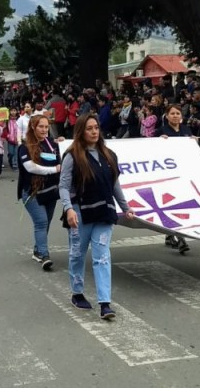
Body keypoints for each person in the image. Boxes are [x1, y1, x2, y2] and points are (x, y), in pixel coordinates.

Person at [59, 114, 135, 320]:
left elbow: (115, 184)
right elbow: (64, 186)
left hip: (104, 211)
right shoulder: (72, 156)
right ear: (81, 131)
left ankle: (105, 303)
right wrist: (68, 209)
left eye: (96, 127)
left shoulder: (109, 154)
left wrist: (125, 208)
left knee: (102, 257)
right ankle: (77, 292)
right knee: (77, 254)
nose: (94, 131)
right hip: (80, 212)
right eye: (89, 128)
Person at [18, 114, 62, 270]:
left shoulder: (53, 144)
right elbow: (31, 167)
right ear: (33, 127)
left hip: (50, 191)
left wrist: (64, 145)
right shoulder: (24, 147)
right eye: (40, 126)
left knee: (46, 222)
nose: (44, 130)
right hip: (31, 192)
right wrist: (55, 169)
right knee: (41, 221)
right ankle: (44, 255)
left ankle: (37, 250)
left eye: (46, 126)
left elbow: (63, 158)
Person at [158, 104, 192, 252]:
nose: (175, 116)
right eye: (172, 113)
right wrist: (158, 141)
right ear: (167, 116)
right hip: (167, 174)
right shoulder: (161, 131)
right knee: (171, 205)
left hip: (183, 172)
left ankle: (171, 235)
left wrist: (194, 143)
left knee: (182, 204)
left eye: (178, 113)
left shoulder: (186, 130)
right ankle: (180, 238)